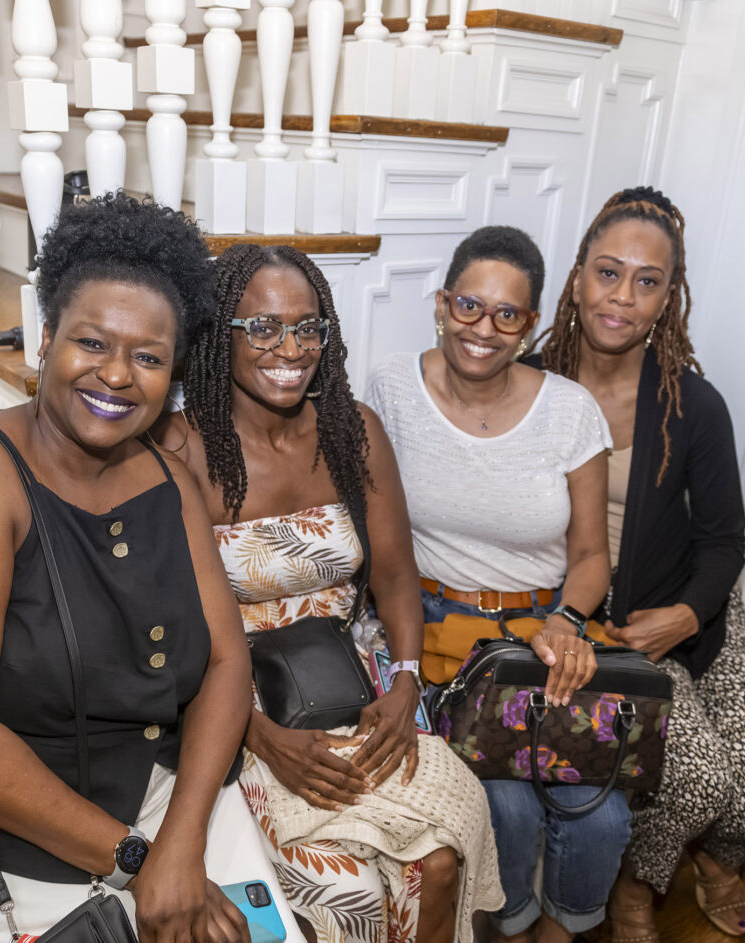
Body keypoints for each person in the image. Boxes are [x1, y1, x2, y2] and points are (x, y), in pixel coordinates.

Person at [0, 194, 261, 943]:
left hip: (150, 797)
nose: (116, 375)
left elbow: (228, 662)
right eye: (92, 343)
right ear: (46, 339)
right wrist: (141, 861)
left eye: (148, 356)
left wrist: (181, 833)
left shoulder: (171, 479)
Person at [157, 243, 502, 943]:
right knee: (346, 891)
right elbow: (169, 633)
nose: (291, 347)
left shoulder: (353, 431)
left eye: (308, 327)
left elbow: (399, 577)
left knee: (437, 860)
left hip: (357, 687)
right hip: (237, 709)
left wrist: (405, 684)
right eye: (263, 327)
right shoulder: (182, 446)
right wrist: (261, 735)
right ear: (220, 335)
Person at [365, 226, 631, 943]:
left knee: (602, 809)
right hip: (438, 632)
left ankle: (559, 931)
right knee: (507, 805)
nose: (483, 328)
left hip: (545, 636)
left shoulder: (571, 409)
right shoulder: (389, 386)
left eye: (506, 314)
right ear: (442, 303)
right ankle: (507, 928)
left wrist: (569, 621)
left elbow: (590, 554)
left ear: (531, 324)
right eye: (469, 306)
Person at [538, 186, 745, 940]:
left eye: (648, 282)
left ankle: (716, 858)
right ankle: (638, 884)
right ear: (578, 275)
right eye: (609, 272)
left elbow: (725, 542)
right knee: (702, 779)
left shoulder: (693, 403)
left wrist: (689, 613)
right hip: (616, 624)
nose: (623, 297)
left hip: (697, 606)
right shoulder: (527, 383)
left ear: (668, 297)